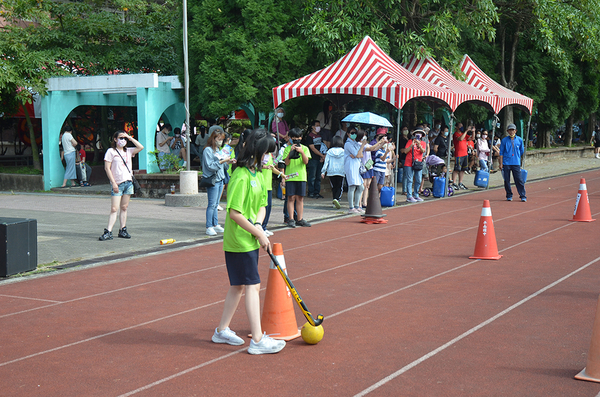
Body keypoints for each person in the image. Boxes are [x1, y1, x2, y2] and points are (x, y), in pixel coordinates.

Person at [212, 129, 286, 355]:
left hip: (251, 239)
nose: (269, 158)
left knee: (238, 285)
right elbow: (234, 213)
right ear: (257, 152)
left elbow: (262, 206)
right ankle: (258, 340)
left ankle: (221, 330)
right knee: (252, 285)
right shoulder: (241, 176)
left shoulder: (258, 175)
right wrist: (257, 232)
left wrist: (259, 227)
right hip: (238, 242)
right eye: (266, 154)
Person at [99, 131, 144, 241]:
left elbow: (141, 147)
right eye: (120, 138)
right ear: (115, 139)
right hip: (117, 183)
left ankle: (122, 229)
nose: (122, 140)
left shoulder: (128, 151)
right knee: (114, 208)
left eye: (124, 138)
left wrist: (129, 137)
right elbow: (107, 168)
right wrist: (113, 183)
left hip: (128, 182)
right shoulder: (111, 151)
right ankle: (108, 231)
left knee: (124, 207)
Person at [203, 130, 235, 236]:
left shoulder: (218, 150)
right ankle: (209, 226)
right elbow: (210, 166)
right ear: (214, 138)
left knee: (216, 204)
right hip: (213, 179)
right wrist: (222, 161)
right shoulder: (208, 150)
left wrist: (228, 161)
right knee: (212, 204)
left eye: (222, 139)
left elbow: (223, 165)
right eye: (219, 139)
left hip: (220, 179)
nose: (220, 142)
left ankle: (215, 224)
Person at [283, 128, 311, 228]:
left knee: (300, 198)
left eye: (298, 138)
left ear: (301, 138)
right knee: (290, 198)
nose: (296, 140)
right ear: (290, 138)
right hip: (290, 177)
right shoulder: (287, 149)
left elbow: (306, 161)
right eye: (293, 138)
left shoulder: (305, 148)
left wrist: (301, 152)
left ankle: (300, 219)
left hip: (301, 177)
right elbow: (286, 162)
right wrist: (290, 152)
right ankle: (290, 219)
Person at [499, 123, 527, 202]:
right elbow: (501, 152)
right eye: (510, 130)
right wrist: (500, 163)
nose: (511, 132)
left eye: (513, 130)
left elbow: (521, 151)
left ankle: (522, 195)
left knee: (519, 180)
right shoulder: (504, 140)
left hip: (516, 162)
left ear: (515, 131)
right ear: (508, 131)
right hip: (506, 163)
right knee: (507, 180)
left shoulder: (519, 140)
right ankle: (509, 195)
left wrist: (518, 158)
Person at [344, 125, 368, 213]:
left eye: (355, 133)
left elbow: (360, 155)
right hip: (350, 167)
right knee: (352, 186)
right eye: (352, 133)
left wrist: (359, 151)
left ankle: (357, 206)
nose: (354, 135)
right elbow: (359, 154)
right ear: (348, 134)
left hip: (356, 167)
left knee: (361, 187)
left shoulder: (354, 143)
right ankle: (351, 207)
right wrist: (362, 147)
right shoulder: (348, 144)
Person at [401, 129, 426, 203]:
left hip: (418, 163)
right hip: (409, 162)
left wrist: (419, 145)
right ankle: (409, 196)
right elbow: (405, 151)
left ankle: (416, 194)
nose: (418, 135)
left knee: (418, 179)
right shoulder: (410, 141)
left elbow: (423, 151)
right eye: (417, 133)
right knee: (410, 179)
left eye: (420, 134)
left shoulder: (423, 143)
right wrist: (412, 145)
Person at [321, 135, 345, 209]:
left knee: (334, 186)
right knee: (339, 186)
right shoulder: (344, 151)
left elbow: (326, 162)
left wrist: (323, 171)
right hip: (341, 171)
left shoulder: (329, 151)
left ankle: (335, 199)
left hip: (331, 171)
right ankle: (337, 199)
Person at [304, 120, 326, 198]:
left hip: (319, 159)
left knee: (318, 177)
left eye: (319, 125)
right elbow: (312, 148)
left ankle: (317, 192)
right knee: (312, 176)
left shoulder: (320, 136)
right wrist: (321, 155)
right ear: (313, 127)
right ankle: (311, 192)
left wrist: (323, 156)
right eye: (317, 125)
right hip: (313, 158)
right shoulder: (310, 136)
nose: (318, 127)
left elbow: (323, 146)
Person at [451, 124, 469, 190]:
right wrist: (466, 131)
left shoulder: (463, 134)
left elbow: (471, 138)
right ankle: (454, 183)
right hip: (459, 154)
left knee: (463, 169)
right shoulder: (455, 134)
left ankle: (460, 183)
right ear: (457, 127)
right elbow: (461, 139)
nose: (461, 127)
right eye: (460, 126)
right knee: (456, 169)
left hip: (465, 154)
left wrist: (473, 131)